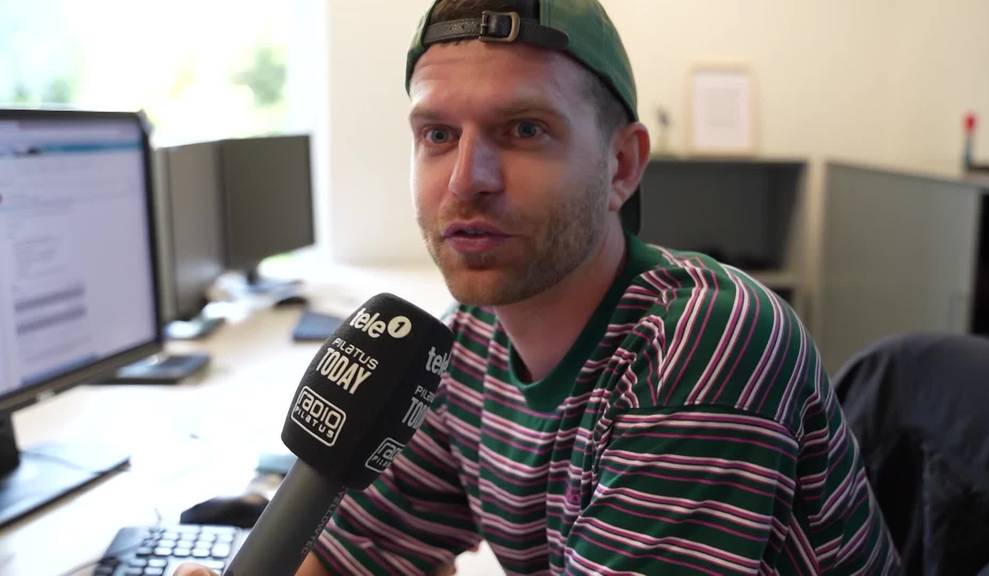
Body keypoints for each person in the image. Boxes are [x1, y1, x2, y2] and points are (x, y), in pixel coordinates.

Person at [179, 0, 899, 574]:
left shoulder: (707, 343)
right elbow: (354, 558)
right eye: (437, 135)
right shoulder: (467, 343)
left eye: (524, 129)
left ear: (622, 166)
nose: (466, 181)